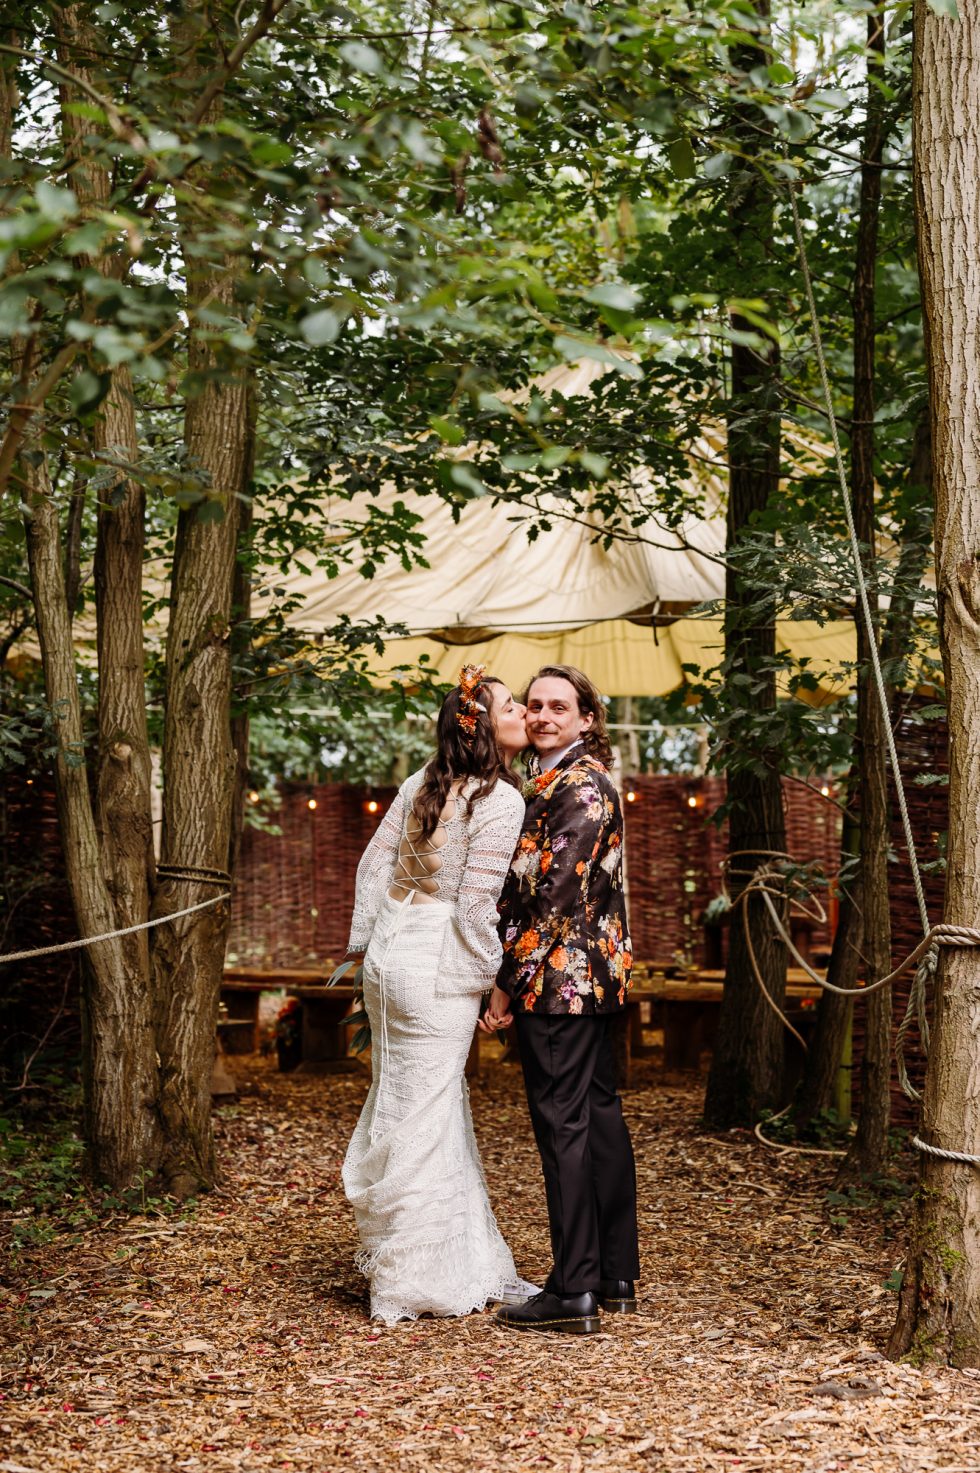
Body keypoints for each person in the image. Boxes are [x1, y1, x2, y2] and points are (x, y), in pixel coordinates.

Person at [341, 665, 534, 1325]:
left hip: (389, 956)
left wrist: (366, 944)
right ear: (484, 729)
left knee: (409, 1100)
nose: (524, 713)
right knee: (426, 1111)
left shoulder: (419, 783)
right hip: (436, 964)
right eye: (512, 707)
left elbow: (373, 866)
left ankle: (462, 1258)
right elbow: (476, 905)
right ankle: (412, 1277)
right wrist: (487, 979)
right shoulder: (501, 801)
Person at [484, 664, 640, 1336]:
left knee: (565, 1127)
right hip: (588, 978)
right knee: (598, 1118)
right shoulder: (558, 780)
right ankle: (613, 1274)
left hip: (557, 982)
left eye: (559, 706)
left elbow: (552, 898)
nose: (543, 715)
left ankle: (574, 1287)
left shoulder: (579, 786)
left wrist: (502, 981)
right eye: (535, 704)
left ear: (586, 718)